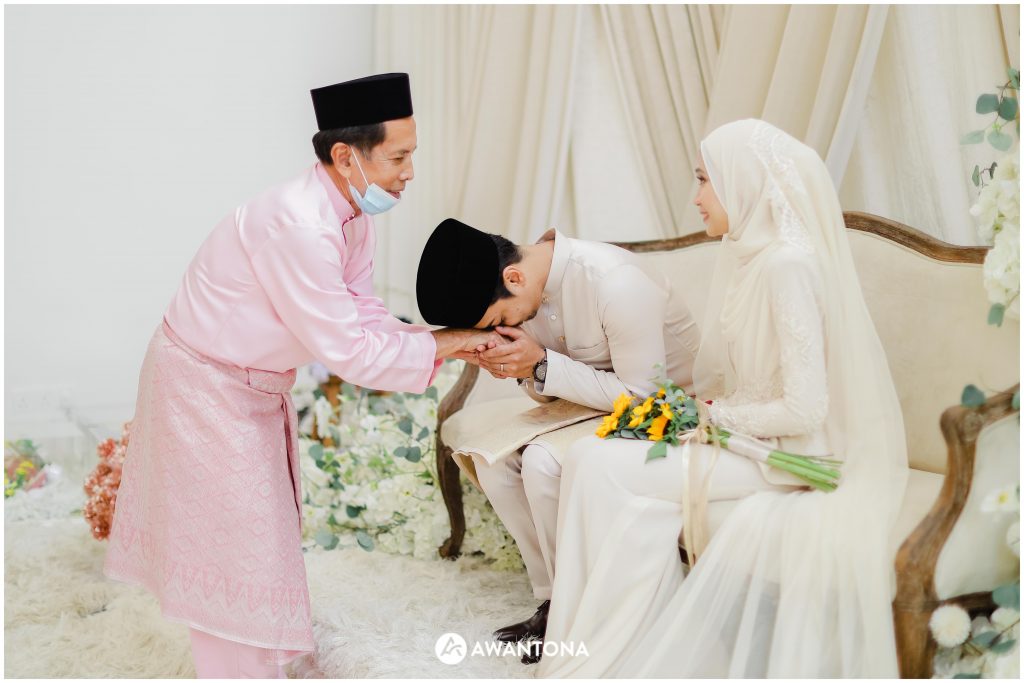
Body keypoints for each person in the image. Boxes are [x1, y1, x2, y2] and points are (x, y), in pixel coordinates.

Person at [104, 74, 501, 679]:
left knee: (262, 538)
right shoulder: (299, 225)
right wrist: (455, 344)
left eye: (411, 155)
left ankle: (264, 657)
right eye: (398, 157)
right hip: (201, 384)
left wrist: (446, 340)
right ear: (346, 155)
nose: (410, 172)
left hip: (252, 386)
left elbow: (362, 313)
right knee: (235, 545)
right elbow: (349, 351)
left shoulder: (351, 214)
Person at [538, 119, 909, 677]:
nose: (696, 197)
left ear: (744, 181)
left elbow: (806, 408)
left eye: (704, 179)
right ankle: (601, 639)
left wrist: (709, 417)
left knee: (602, 466)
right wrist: (708, 417)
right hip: (748, 436)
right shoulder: (752, 256)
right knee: (589, 455)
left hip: (795, 453)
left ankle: (614, 650)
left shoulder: (787, 266)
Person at [416, 218, 700, 663]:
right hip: (594, 409)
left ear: (513, 278)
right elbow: (549, 385)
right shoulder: (532, 291)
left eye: (499, 320)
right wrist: (521, 367)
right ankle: (554, 600)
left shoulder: (614, 282)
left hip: (670, 411)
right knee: (493, 459)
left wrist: (540, 364)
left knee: (542, 460)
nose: (503, 328)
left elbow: (645, 398)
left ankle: (583, 607)